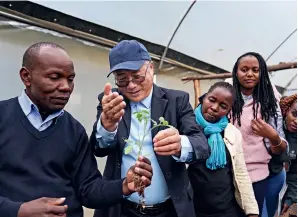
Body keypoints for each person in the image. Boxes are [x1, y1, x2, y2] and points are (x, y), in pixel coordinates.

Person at [0, 42, 153, 217]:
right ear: (26, 77)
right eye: (55, 77)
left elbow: (88, 189)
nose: (66, 87)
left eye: (70, 79)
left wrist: (125, 185)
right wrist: (19, 211)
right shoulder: (3, 117)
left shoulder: (74, 130)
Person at [89, 40, 210, 217]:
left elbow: (202, 145)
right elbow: (99, 149)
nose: (130, 85)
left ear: (151, 68)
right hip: (122, 208)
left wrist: (180, 145)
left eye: (137, 76)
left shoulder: (177, 101)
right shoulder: (111, 101)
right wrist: (107, 126)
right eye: (122, 79)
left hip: (170, 209)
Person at [228, 52, 288, 216]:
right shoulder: (227, 97)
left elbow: (280, 146)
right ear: (236, 72)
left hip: (261, 174)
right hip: (230, 172)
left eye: (255, 70)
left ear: (262, 73)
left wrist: (272, 135)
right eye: (244, 69)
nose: (250, 74)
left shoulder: (269, 100)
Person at [188, 81, 259, 217]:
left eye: (223, 106)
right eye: (212, 100)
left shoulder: (232, 133)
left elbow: (241, 171)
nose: (214, 108)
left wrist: (251, 211)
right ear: (203, 98)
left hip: (225, 208)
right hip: (193, 209)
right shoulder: (187, 126)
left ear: (228, 110)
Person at [280, 94, 297, 215]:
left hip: (285, 190)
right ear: (286, 110)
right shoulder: (273, 126)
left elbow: (295, 174)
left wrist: (291, 198)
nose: (296, 121)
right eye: (294, 114)